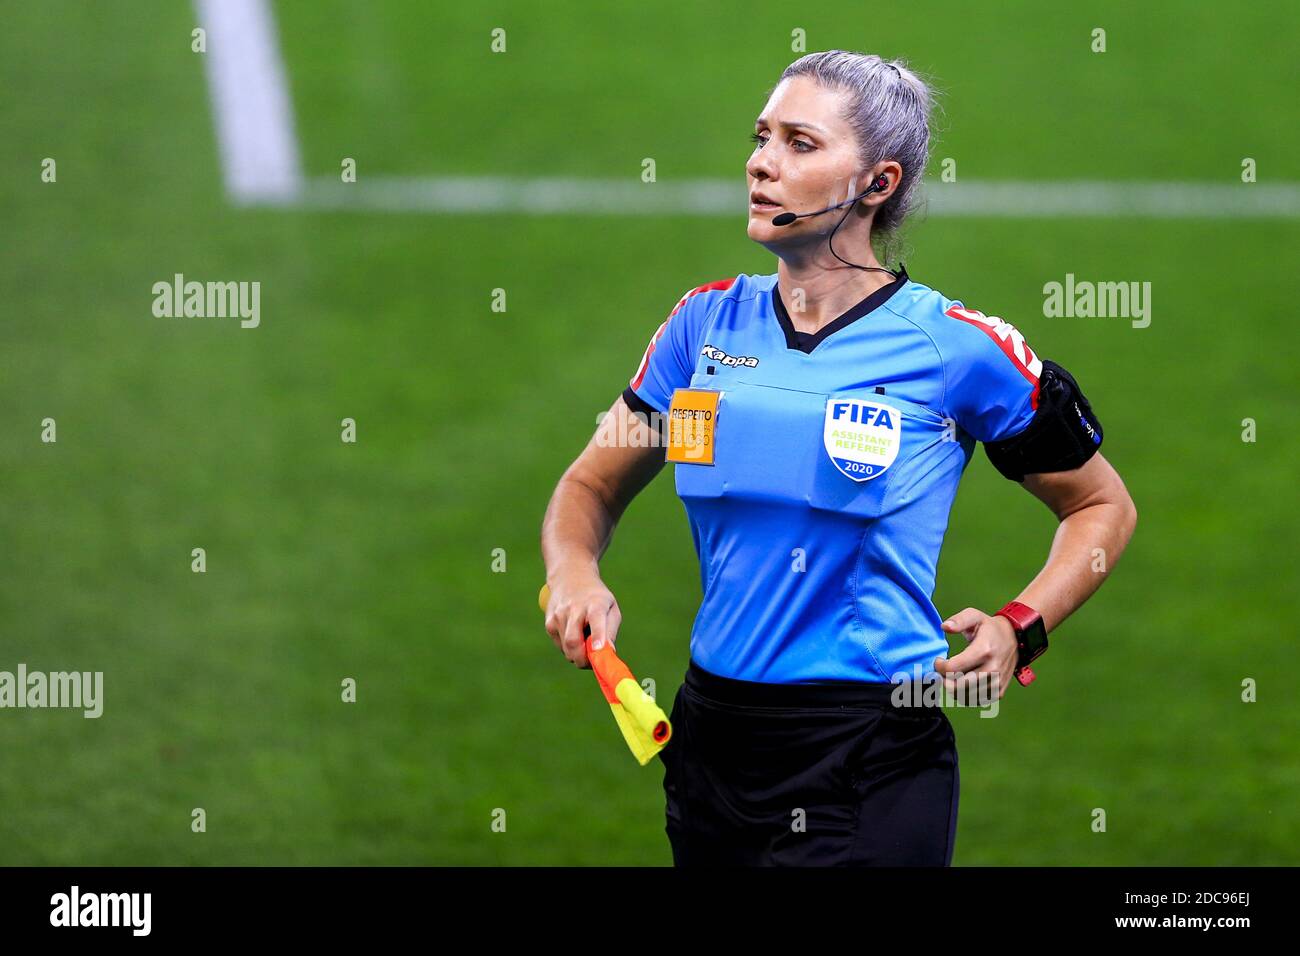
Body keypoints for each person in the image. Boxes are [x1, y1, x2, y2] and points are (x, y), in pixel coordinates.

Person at [539, 50, 1137, 866]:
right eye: (761, 138)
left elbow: (1101, 506)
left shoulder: (956, 348)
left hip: (869, 748)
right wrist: (576, 571)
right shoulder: (701, 327)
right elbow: (590, 487)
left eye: (799, 143)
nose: (761, 162)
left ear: (878, 183)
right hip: (712, 741)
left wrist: (1020, 626)